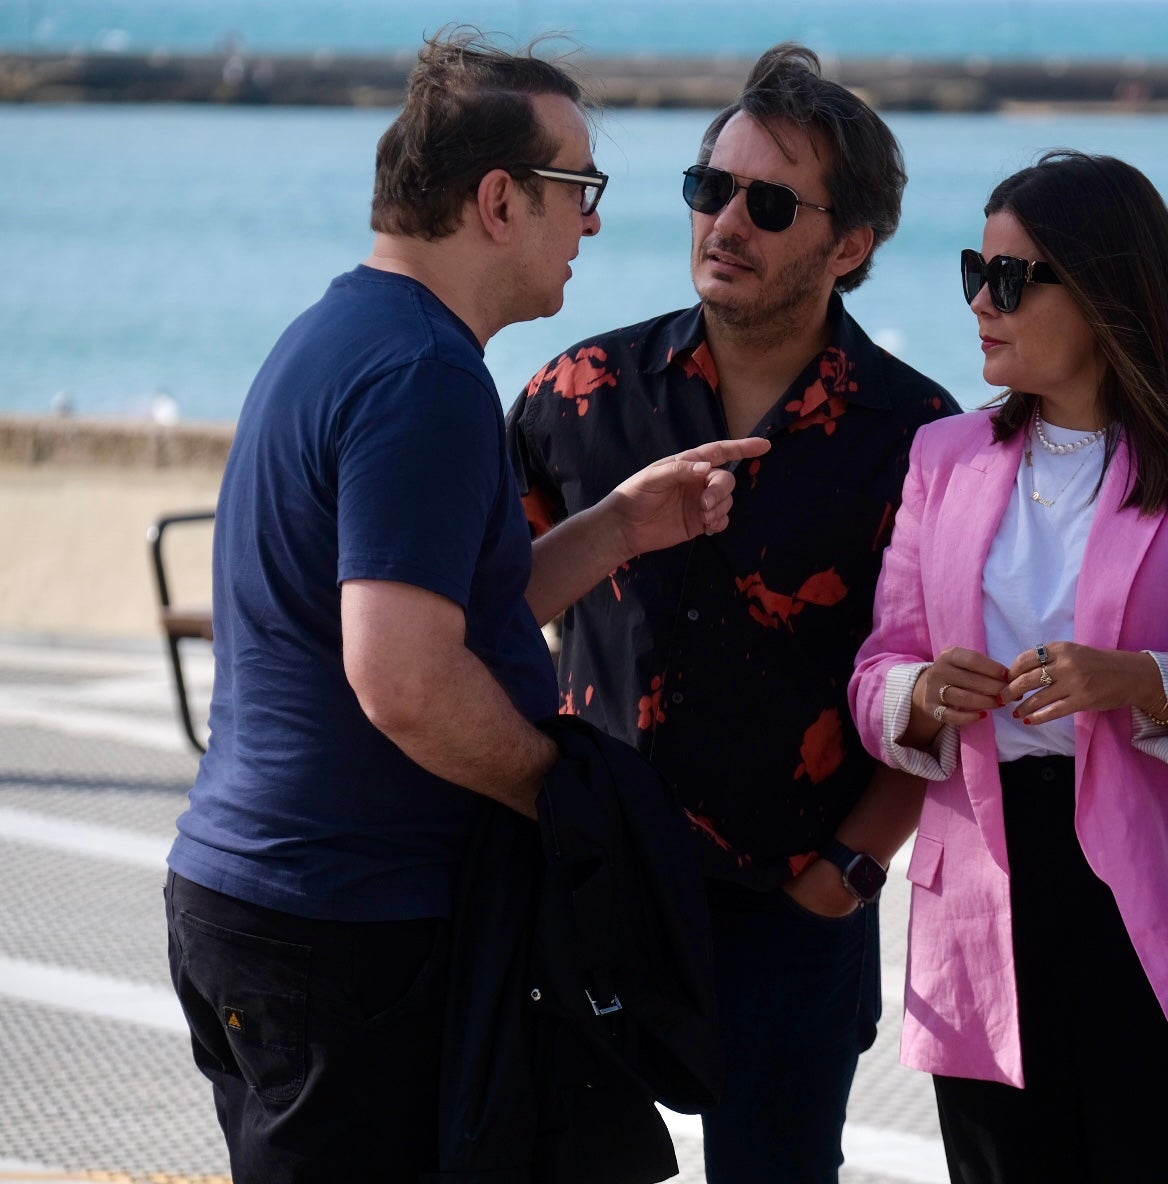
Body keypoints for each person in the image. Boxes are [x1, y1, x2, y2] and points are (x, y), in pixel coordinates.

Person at [162, 33, 765, 1182]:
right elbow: (402, 675)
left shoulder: (347, 334)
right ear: (499, 199)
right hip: (348, 923)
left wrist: (621, 525)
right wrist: (568, 799)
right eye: (578, 190)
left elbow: (451, 614)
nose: (591, 224)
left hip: (272, 905)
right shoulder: (423, 378)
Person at [506, 44, 956, 1184]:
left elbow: (947, 683)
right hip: (592, 897)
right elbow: (486, 617)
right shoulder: (574, 396)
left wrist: (848, 873)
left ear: (849, 245)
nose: (726, 223)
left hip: (793, 917)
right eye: (712, 190)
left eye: (769, 202)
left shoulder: (922, 438)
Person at [848, 150, 1168, 1182]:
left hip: (1147, 895)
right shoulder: (943, 456)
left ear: (1101, 290)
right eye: (973, 272)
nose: (979, 304)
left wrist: (1138, 680)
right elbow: (877, 669)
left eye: (1009, 279)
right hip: (985, 897)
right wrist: (921, 695)